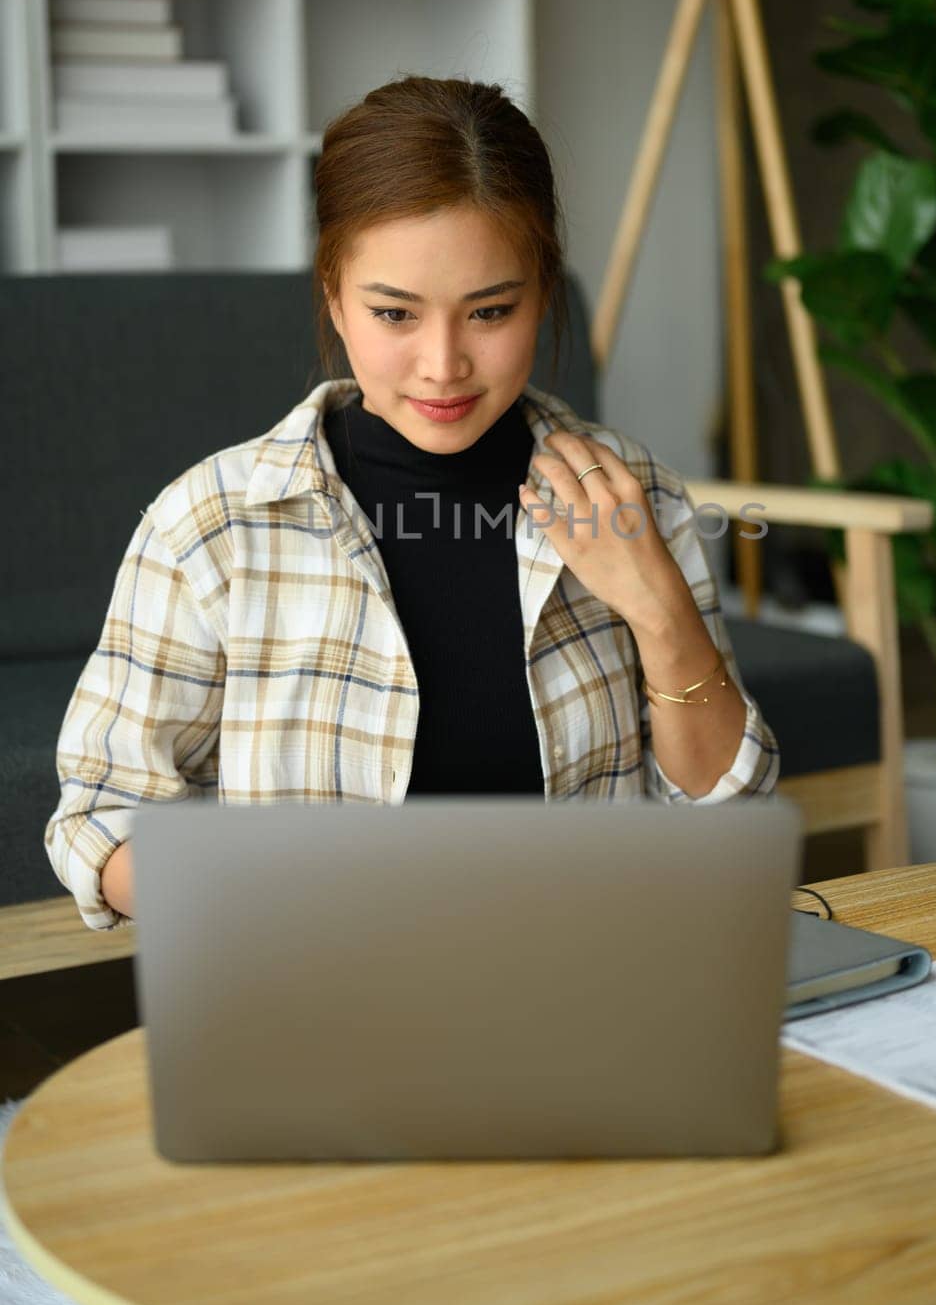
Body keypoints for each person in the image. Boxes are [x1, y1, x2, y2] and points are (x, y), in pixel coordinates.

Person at [45, 76, 779, 932]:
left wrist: (660, 612)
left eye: (490, 311)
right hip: (316, 1000)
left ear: (542, 295)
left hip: (583, 977)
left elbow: (731, 822)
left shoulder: (631, 492)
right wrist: (269, 917)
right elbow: (99, 819)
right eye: (394, 313)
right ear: (332, 294)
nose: (442, 364)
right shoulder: (212, 524)